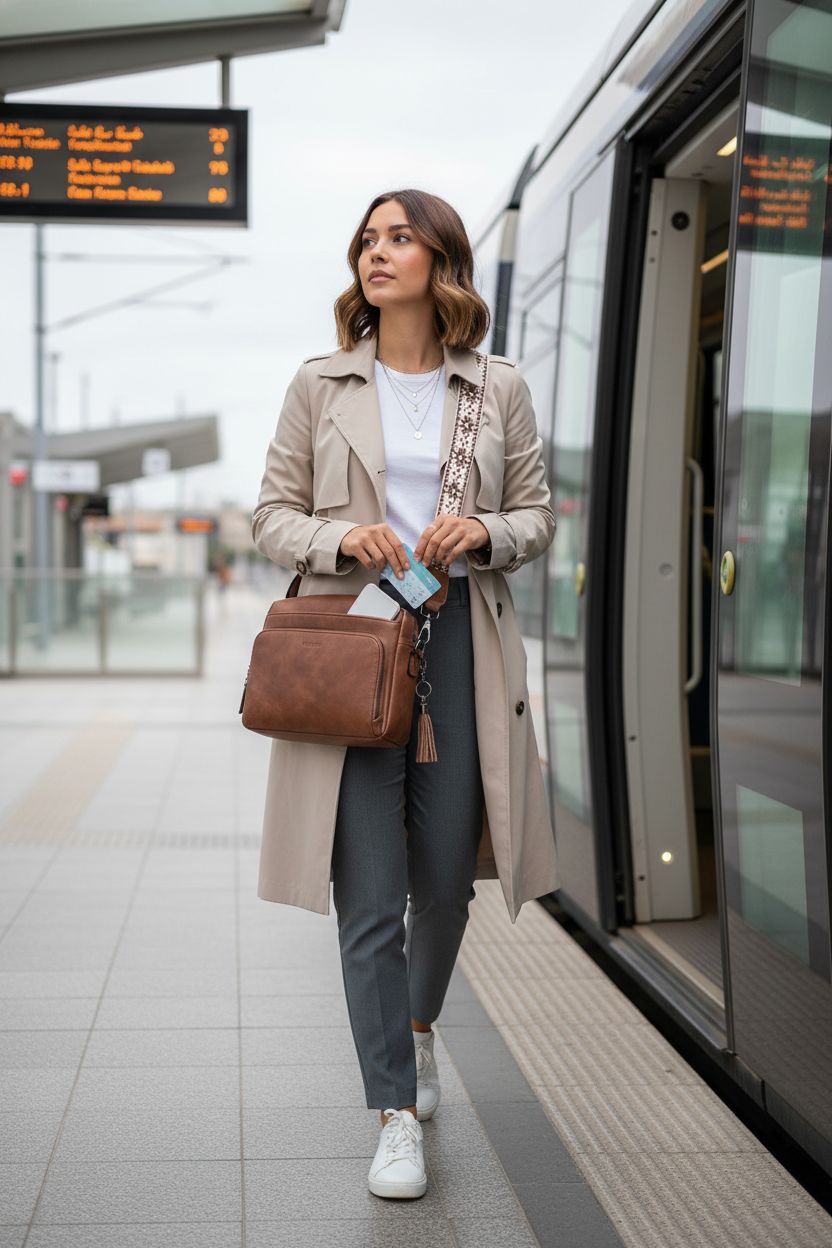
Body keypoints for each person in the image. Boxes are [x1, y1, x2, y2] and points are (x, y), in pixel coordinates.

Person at [251, 188, 559, 1199]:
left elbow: (536, 517)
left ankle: (418, 1028)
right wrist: (344, 538)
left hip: (460, 643)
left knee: (443, 878)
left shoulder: (493, 389)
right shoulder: (319, 383)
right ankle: (392, 1110)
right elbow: (270, 518)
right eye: (368, 241)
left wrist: (486, 534)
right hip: (354, 645)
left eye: (399, 238)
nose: (377, 254)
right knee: (370, 893)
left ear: (441, 261)